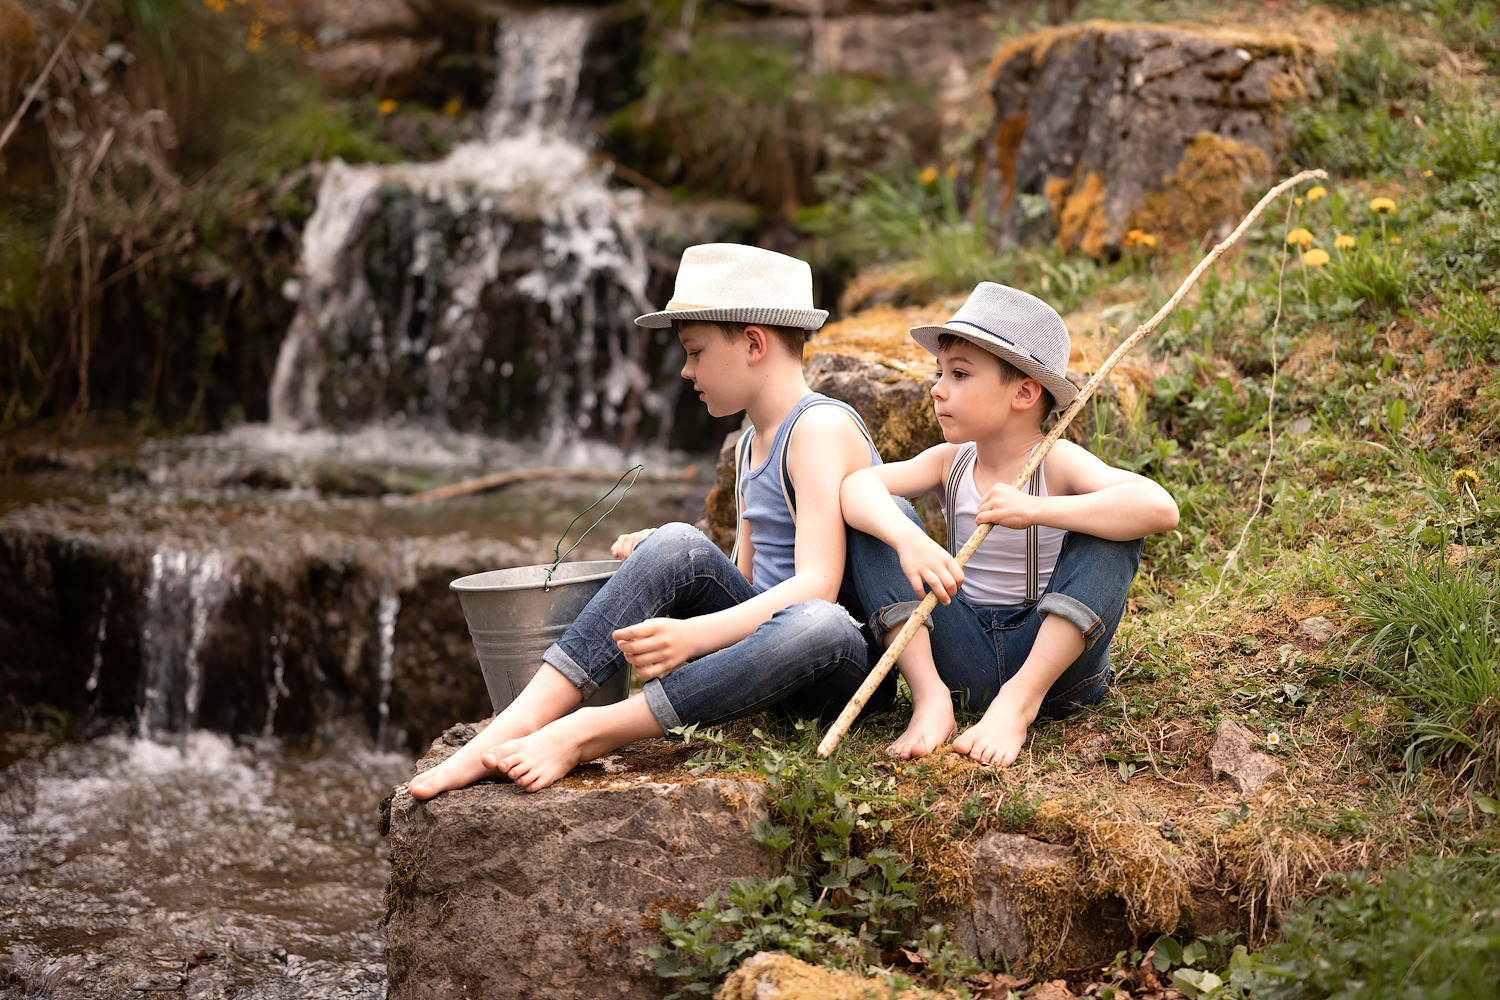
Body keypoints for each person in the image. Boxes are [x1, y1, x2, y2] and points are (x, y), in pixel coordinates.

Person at [408, 243, 896, 796]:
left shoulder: (818, 429)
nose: (686, 371)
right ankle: (512, 725)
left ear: (754, 344)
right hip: (766, 654)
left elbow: (818, 586)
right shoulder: (750, 445)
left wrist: (691, 635)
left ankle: (592, 730)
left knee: (817, 620)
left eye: (695, 351)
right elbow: (747, 577)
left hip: (840, 661)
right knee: (676, 543)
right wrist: (673, 562)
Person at [840, 281, 1179, 766]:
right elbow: (856, 488)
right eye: (940, 373)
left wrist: (1038, 511)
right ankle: (931, 700)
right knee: (872, 522)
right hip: (962, 656)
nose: (937, 389)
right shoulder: (948, 461)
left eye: (959, 374)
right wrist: (909, 539)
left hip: (1053, 666)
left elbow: (1159, 506)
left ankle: (1017, 704)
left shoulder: (1056, 462)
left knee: (1114, 525)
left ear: (1024, 392)